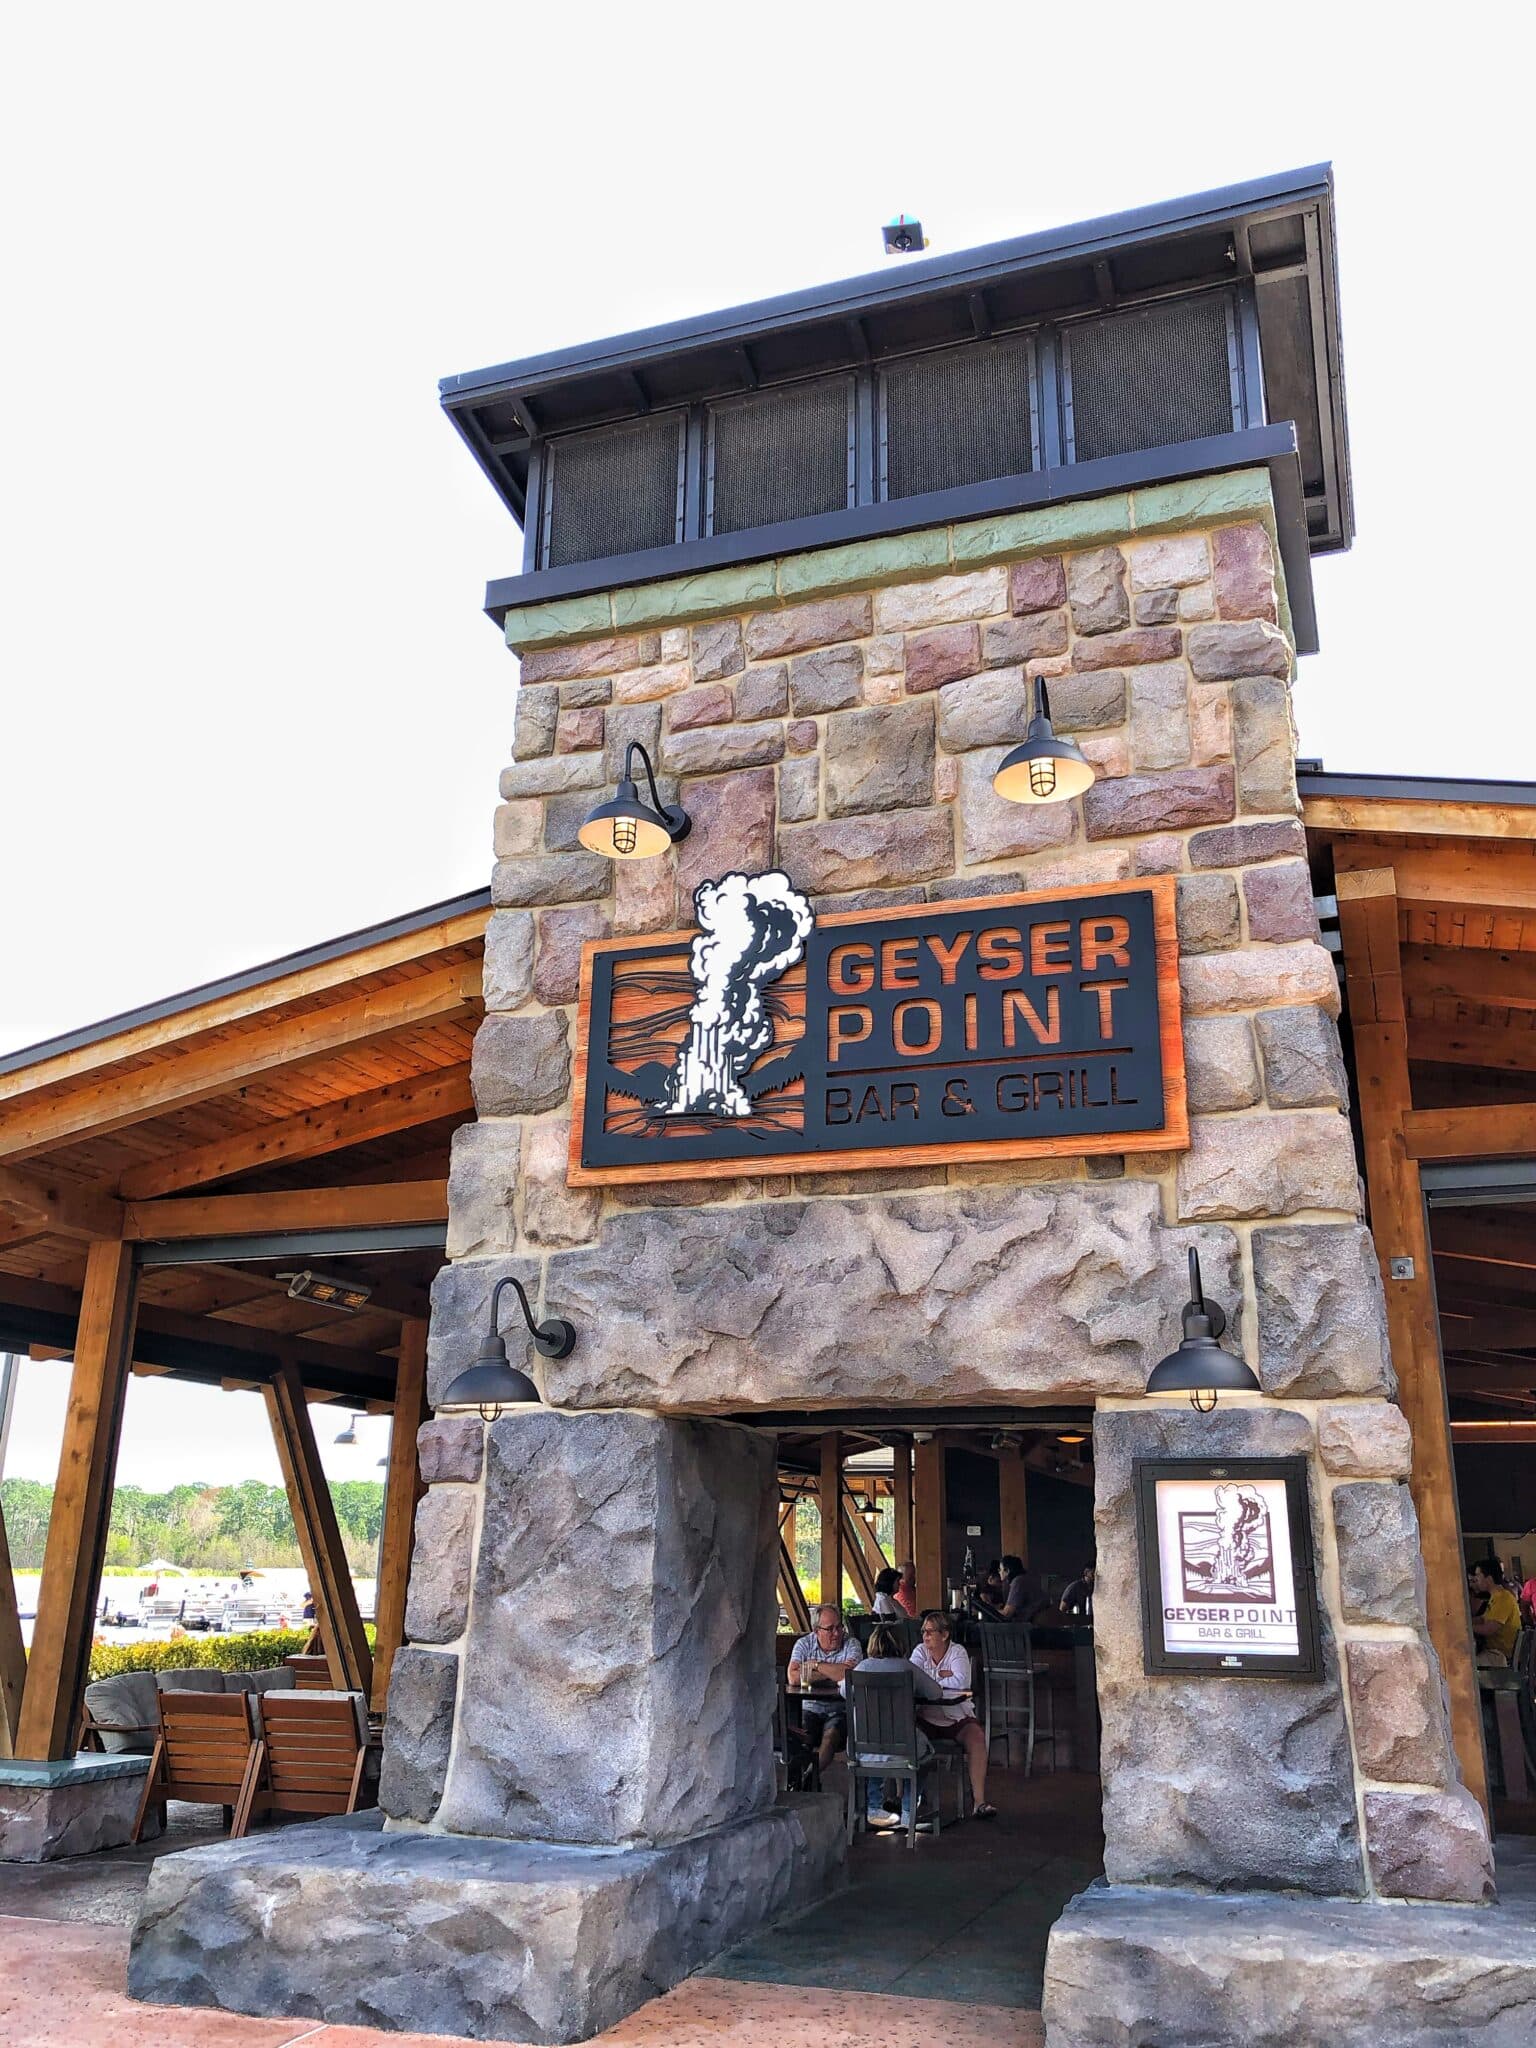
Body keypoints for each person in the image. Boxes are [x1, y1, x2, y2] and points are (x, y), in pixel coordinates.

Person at [847, 1622, 944, 1830]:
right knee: (923, 1757)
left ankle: (873, 1807)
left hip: (862, 1749)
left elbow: (843, 1691)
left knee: (874, 1753)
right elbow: (936, 1692)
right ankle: (909, 1810)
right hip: (903, 1749)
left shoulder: (861, 1668)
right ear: (901, 1644)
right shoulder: (907, 1668)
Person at [911, 1610, 996, 1820]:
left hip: (956, 1716)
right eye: (923, 1632)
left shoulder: (958, 1652)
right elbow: (911, 1678)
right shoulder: (920, 1651)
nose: (925, 1636)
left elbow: (961, 1682)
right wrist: (941, 1676)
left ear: (945, 1634)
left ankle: (979, 1802)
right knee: (904, 1736)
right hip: (925, 1716)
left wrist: (929, 1679)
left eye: (930, 1632)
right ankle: (904, 1799)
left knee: (977, 1738)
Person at [787, 1604, 863, 1771]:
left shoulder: (851, 1644)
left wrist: (816, 1665)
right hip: (809, 1708)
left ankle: (810, 1778)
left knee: (831, 1736)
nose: (836, 1633)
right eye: (829, 1629)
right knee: (799, 1736)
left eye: (839, 1627)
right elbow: (793, 1677)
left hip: (840, 1709)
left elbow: (849, 1674)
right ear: (816, 1631)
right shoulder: (804, 1644)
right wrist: (833, 1673)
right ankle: (800, 1779)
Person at [1471, 1560, 1521, 1665]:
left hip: (1500, 1655)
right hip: (1494, 1652)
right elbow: (1483, 1619)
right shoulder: (1496, 1597)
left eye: (1478, 1575)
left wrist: (1466, 1628)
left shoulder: (1503, 1598)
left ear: (1489, 1578)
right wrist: (1465, 1621)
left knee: (1466, 1664)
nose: (1475, 1579)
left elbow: (1489, 1629)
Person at [979, 1554, 1033, 1623]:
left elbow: (1007, 1613)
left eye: (1000, 1569)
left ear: (1007, 1571)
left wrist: (986, 1610)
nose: (999, 1572)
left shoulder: (1018, 1582)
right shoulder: (1021, 1579)